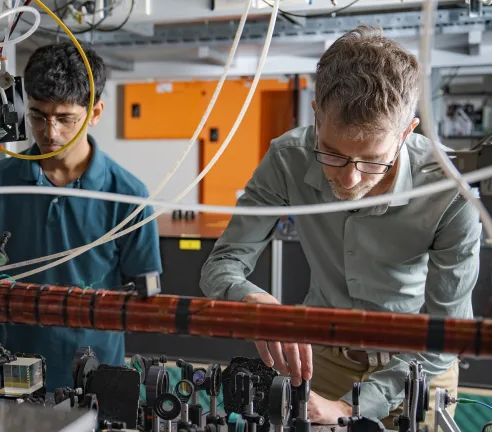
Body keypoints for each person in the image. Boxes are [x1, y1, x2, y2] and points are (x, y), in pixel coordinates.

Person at [200, 25, 480, 426]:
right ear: (316, 115)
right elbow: (221, 265)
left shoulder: (449, 187)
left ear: (406, 132)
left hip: (421, 365)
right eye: (331, 153)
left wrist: (351, 409)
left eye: (372, 160)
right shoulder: (287, 159)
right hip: (323, 360)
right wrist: (252, 302)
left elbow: (449, 333)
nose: (349, 180)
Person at [0, 43, 163, 390]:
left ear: (95, 113)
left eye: (65, 119)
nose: (50, 132)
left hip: (94, 378)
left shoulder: (128, 196)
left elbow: (145, 298)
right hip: (8, 370)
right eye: (38, 116)